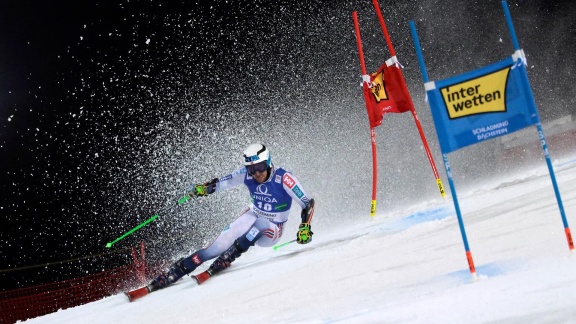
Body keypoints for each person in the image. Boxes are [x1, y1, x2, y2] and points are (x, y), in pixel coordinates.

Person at [147, 143, 315, 292]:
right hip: (253, 214)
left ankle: (228, 258)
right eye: (251, 169)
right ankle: (179, 269)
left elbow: (308, 203)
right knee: (220, 242)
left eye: (260, 167)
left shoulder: (284, 178)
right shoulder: (246, 174)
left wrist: (305, 227)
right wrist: (203, 189)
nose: (256, 173)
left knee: (261, 223)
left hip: (272, 229)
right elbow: (221, 183)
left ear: (269, 162)